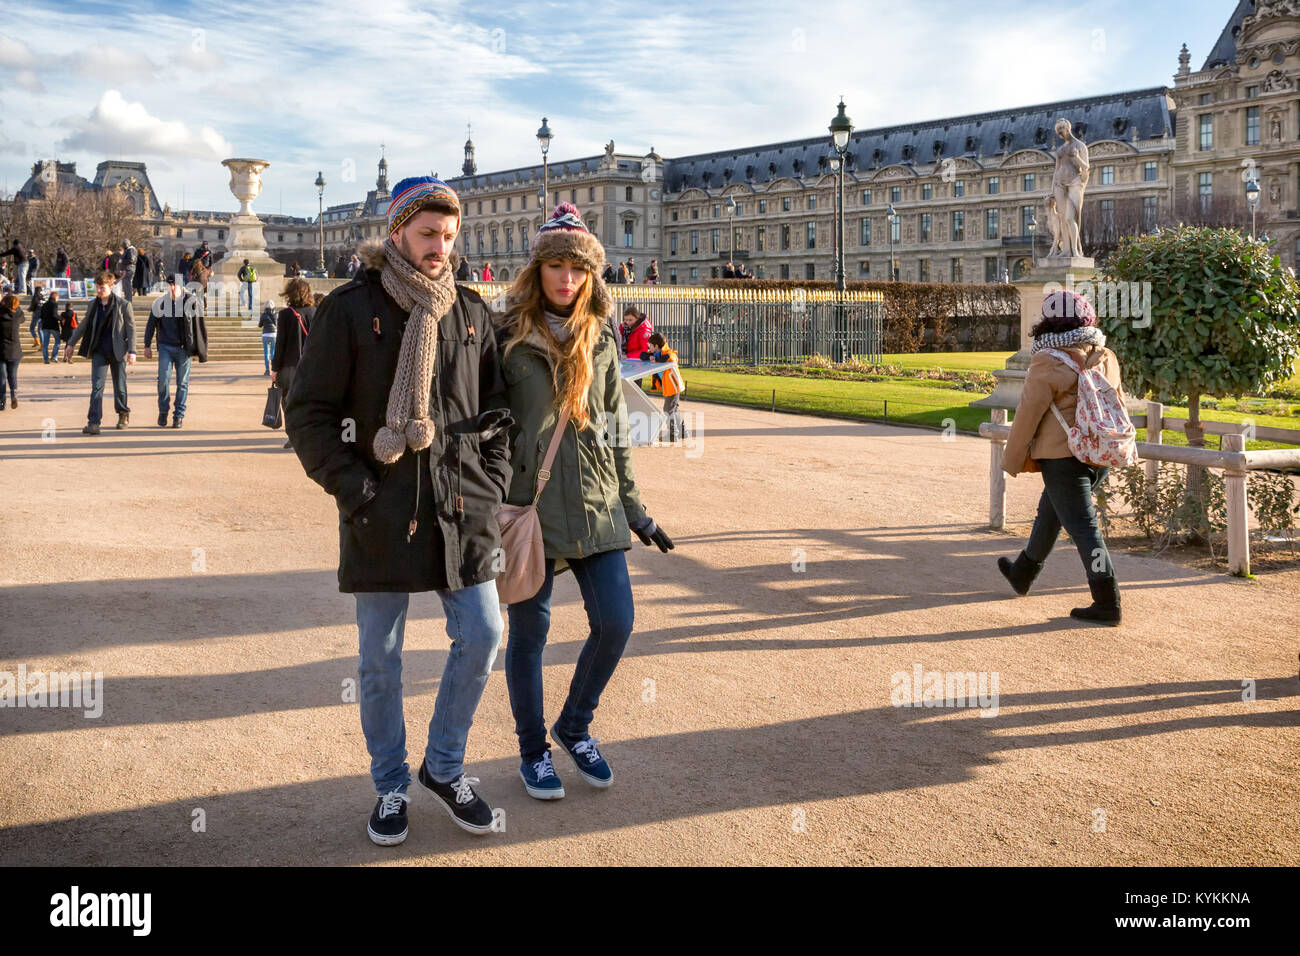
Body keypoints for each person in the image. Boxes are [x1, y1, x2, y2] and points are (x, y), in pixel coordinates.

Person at [285, 176, 514, 846]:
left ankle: (443, 767)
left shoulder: (471, 312)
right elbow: (309, 414)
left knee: (483, 634)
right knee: (380, 662)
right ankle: (390, 786)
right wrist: (354, 491)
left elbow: (498, 416)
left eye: (449, 235)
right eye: (427, 234)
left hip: (461, 509)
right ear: (396, 234)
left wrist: (490, 483)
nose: (441, 246)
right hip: (378, 509)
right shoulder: (350, 309)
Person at [493, 201, 674, 801]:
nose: (567, 280)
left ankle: (575, 727)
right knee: (530, 637)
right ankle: (531, 751)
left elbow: (617, 427)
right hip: (533, 508)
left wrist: (637, 508)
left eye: (577, 268)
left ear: (591, 274)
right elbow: (487, 426)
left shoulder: (600, 339)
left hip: (597, 502)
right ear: (537, 270)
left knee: (616, 623)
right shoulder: (510, 336)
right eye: (556, 267)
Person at [999, 290, 1125, 625]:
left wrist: (1011, 461)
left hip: (1062, 457)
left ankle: (1107, 601)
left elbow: (1028, 414)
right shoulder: (1106, 355)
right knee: (1050, 513)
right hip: (1099, 454)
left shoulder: (1048, 360)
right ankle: (1022, 573)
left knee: (1085, 530)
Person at [65, 271, 136, 434]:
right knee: (97, 387)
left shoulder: (124, 305)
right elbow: (83, 325)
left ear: (111, 286)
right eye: (97, 288)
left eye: (101, 288)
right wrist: (71, 344)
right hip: (99, 352)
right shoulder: (93, 305)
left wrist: (132, 351)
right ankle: (94, 422)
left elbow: (131, 330)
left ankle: (123, 413)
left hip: (118, 351)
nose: (98, 291)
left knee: (119, 386)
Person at [144, 275, 207, 428]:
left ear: (181, 286)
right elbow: (150, 324)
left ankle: (178, 415)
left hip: (184, 349)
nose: (172, 289)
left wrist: (200, 349)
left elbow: (199, 326)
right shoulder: (160, 303)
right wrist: (147, 345)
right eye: (169, 285)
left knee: (182, 383)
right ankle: (163, 410)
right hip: (165, 346)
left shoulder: (190, 301)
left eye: (175, 286)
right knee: (163, 381)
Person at [272, 278, 315, 450]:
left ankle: (293, 435)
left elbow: (280, 344)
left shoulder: (285, 314)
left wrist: (275, 368)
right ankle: (308, 434)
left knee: (288, 403)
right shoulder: (315, 312)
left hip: (289, 366)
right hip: (311, 366)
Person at [647, 331, 687, 442]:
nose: (648, 347)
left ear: (656, 346)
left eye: (650, 345)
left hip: (673, 387)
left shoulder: (668, 353)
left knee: (668, 410)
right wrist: (651, 357)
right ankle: (683, 432)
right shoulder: (655, 354)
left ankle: (673, 434)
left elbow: (672, 357)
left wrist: (656, 359)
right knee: (674, 409)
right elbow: (643, 355)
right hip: (669, 387)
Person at [0, 293, 23, 409]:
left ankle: (1, 402)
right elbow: (22, 316)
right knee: (12, 376)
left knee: (2, 377)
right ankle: (14, 395)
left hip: (2, 350)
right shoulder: (18, 314)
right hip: (15, 350)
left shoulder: (1, 314)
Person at [38, 289, 62, 363]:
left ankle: (46, 359)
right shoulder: (54, 304)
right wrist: (61, 319)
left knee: (45, 343)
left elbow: (41, 315)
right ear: (55, 297)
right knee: (57, 341)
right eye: (58, 297)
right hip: (53, 326)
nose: (58, 299)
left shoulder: (44, 304)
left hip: (45, 326)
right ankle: (54, 357)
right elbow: (54, 314)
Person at [258, 299, 277, 375]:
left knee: (266, 353)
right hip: (273, 334)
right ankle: (273, 370)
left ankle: (267, 370)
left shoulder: (263, 315)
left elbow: (260, 325)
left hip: (265, 334)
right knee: (273, 352)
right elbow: (276, 324)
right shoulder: (275, 314)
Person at [27, 283, 45, 349]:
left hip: (37, 313)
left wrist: (29, 309)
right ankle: (42, 345)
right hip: (43, 314)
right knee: (40, 329)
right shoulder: (43, 297)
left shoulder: (35, 296)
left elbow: (33, 305)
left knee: (32, 328)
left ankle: (36, 340)